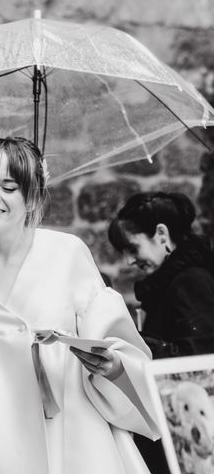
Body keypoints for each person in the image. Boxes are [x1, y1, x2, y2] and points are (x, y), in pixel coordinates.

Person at [0, 137, 160, 474]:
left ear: (32, 196)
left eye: (9, 187)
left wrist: (111, 365)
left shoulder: (67, 254)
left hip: (74, 441)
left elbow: (127, 354)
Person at [108, 191, 214, 474]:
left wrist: (142, 346)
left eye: (133, 247)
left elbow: (202, 356)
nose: (130, 261)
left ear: (161, 234)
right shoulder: (172, 282)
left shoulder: (190, 281)